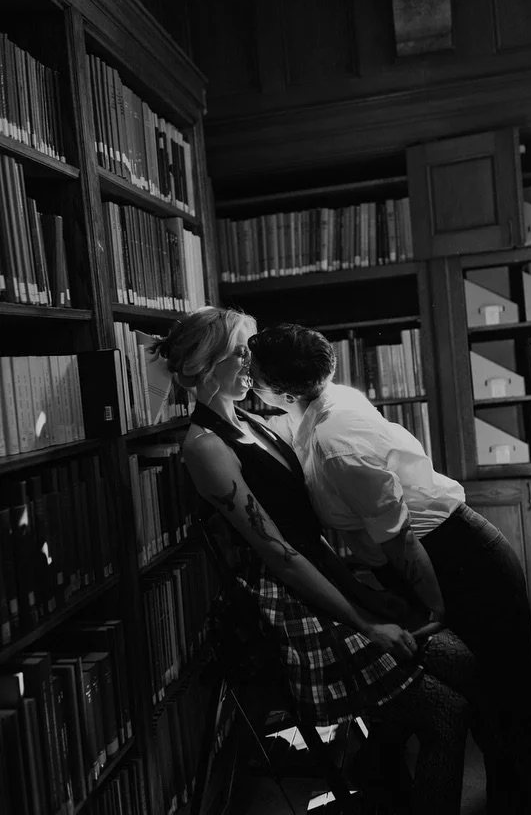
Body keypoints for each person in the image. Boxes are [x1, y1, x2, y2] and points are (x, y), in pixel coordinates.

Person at [248, 322, 531, 815]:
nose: (249, 382)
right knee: (486, 703)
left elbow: (399, 538)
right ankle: (515, 802)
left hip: (457, 560)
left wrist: (433, 609)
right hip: (439, 557)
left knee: (510, 698)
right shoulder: (321, 410)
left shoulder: (336, 440)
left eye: (254, 376)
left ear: (284, 391)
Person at [162, 308, 472, 812]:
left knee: (461, 664)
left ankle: (378, 772)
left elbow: (307, 524)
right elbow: (279, 554)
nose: (253, 362)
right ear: (205, 364)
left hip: (325, 575)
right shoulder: (205, 446)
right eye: (241, 352)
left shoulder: (253, 421)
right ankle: (382, 774)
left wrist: (365, 592)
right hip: (292, 599)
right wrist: (365, 622)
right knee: (446, 712)